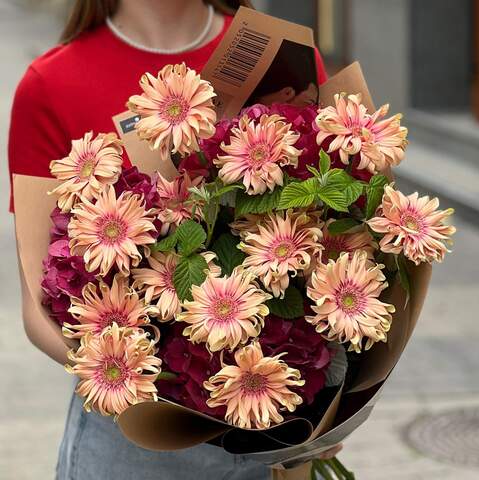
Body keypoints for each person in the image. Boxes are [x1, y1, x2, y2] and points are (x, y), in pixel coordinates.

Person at [8, 1, 339, 478]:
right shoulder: (51, 84)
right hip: (130, 438)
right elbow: (38, 309)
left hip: (274, 430)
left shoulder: (277, 53)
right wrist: (139, 380)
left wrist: (333, 403)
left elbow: (337, 235)